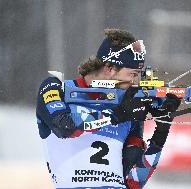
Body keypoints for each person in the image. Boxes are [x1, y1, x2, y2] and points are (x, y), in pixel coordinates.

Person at [36, 28, 181, 189]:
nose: (135, 82)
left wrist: (162, 130)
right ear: (109, 69)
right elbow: (65, 127)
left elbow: (134, 182)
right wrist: (117, 114)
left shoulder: (126, 107)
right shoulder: (56, 88)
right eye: (132, 74)